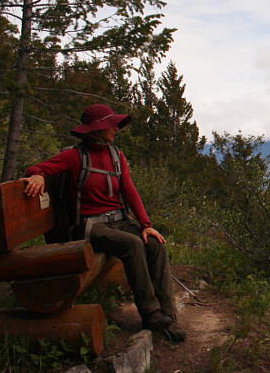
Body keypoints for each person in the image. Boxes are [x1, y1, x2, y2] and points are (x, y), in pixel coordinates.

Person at [20, 103, 186, 342]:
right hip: (88, 226)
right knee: (132, 244)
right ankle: (151, 314)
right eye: (111, 125)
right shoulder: (74, 156)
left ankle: (169, 314)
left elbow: (129, 191)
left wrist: (145, 223)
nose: (116, 129)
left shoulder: (116, 156)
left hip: (118, 221)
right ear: (96, 129)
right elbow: (38, 168)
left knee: (154, 243)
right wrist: (37, 174)